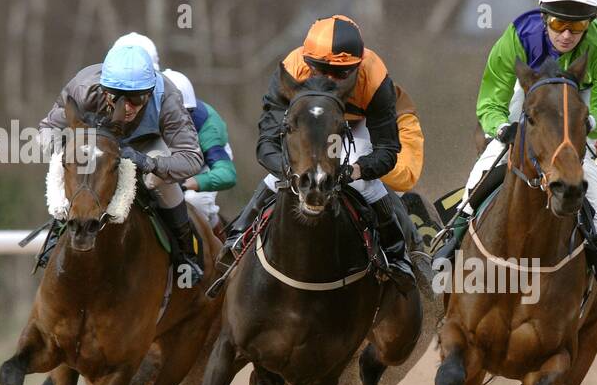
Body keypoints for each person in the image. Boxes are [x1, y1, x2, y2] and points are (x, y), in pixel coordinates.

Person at [436, 0, 597, 292]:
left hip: (574, 101)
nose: (567, 34)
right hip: (529, 95)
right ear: (544, 17)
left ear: (590, 24)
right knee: (489, 161)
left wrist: (588, 123)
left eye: (577, 26)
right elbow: (491, 99)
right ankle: (454, 236)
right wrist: (501, 130)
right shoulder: (517, 37)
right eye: (558, 23)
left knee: (586, 171)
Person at [216, 15, 414, 291]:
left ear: (357, 66)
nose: (331, 80)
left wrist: (358, 169)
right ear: (308, 62)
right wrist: (289, 171)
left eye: (341, 73)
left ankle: (397, 256)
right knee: (278, 180)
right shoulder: (292, 69)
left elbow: (387, 149)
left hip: (353, 128)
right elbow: (267, 143)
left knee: (368, 185)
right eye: (321, 70)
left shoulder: (375, 76)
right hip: (308, 127)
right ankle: (238, 237)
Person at [36, 43, 206, 281]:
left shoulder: (167, 97)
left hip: (147, 145)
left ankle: (186, 254)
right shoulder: (83, 88)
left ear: (150, 91)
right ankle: (55, 239)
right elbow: (48, 129)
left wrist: (148, 163)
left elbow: (191, 158)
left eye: (136, 99)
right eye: (116, 97)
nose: (125, 107)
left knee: (159, 181)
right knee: (76, 167)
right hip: (96, 143)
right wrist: (68, 153)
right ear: (104, 89)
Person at [160, 68, 237, 228]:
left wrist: (190, 183)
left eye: (185, 113)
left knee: (195, 202)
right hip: (170, 165)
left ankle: (219, 239)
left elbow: (227, 174)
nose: (180, 120)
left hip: (202, 166)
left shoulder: (208, 125)